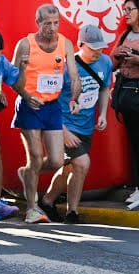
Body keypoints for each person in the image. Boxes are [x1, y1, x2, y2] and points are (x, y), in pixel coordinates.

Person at [12, 4, 80, 224]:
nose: (52, 27)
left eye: (56, 23)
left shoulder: (65, 44)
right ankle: (32, 207)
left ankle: (28, 173)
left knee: (57, 160)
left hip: (52, 107)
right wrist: (25, 91)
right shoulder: (25, 44)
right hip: (30, 105)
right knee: (34, 155)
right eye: (47, 23)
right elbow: (13, 80)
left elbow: (74, 76)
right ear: (37, 23)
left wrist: (74, 98)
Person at [44, 24, 112, 223]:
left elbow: (104, 88)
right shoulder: (66, 67)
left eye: (100, 47)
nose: (98, 52)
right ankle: (72, 212)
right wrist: (62, 131)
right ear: (80, 45)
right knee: (82, 163)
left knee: (69, 168)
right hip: (64, 125)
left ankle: (47, 201)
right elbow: (50, 101)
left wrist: (104, 114)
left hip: (86, 126)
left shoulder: (105, 62)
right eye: (93, 48)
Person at [113, 0, 139, 206]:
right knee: (135, 143)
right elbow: (112, 65)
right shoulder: (125, 35)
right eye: (124, 10)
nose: (126, 13)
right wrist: (117, 53)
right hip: (127, 97)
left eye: (130, 9)